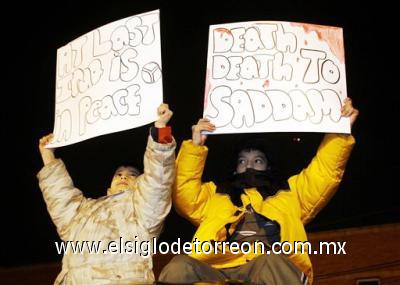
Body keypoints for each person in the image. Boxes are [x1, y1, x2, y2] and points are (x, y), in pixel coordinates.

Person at [159, 98, 359, 285]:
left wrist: (340, 132)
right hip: (217, 268)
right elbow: (183, 192)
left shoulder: (290, 194)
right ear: (235, 168)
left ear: (268, 167)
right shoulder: (215, 195)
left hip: (268, 267)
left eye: (257, 161)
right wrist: (196, 146)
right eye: (242, 161)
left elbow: (323, 173)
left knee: (271, 260)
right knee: (179, 266)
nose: (249, 166)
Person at [38, 104, 176, 285]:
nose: (123, 176)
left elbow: (159, 177)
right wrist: (47, 155)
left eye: (132, 174)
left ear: (140, 182)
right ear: (109, 185)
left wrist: (161, 129)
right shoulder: (84, 210)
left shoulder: (142, 209)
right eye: (118, 174)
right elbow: (58, 195)